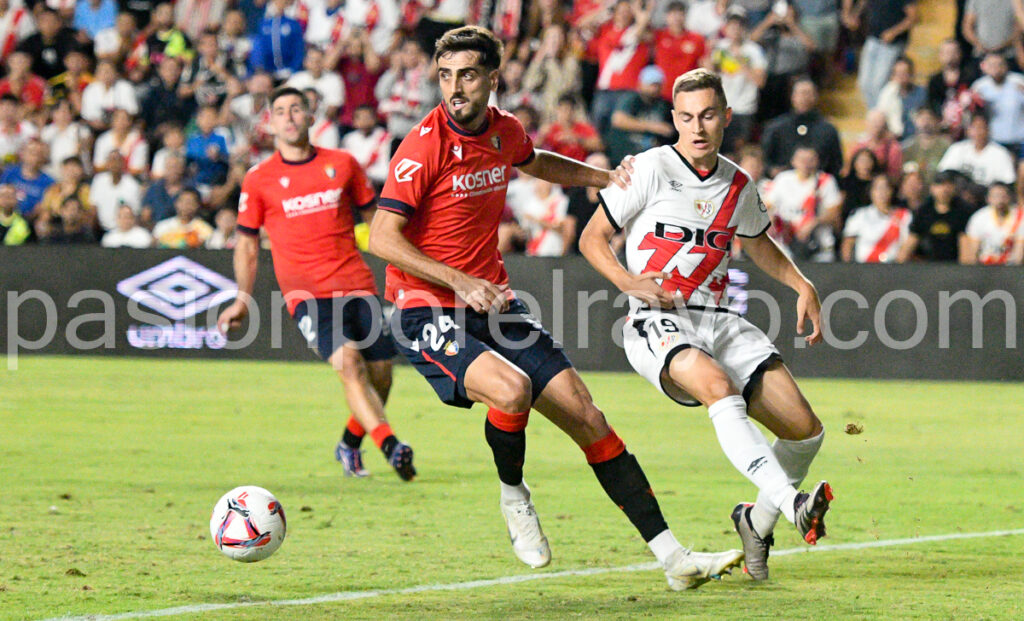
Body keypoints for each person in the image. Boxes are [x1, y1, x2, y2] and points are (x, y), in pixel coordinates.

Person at [368, 26, 743, 589]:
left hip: (493, 301)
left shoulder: (503, 131)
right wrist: (458, 280)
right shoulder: (423, 146)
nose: (454, 88)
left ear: (493, 79)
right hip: (423, 308)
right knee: (511, 389)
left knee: (587, 415)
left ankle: (675, 559)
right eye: (445, 76)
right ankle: (514, 495)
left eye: (467, 75)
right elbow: (381, 238)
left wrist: (602, 178)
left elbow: (534, 159)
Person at [580, 68, 833, 583]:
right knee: (717, 387)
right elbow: (592, 239)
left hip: (718, 318)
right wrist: (630, 282)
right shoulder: (648, 168)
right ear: (674, 119)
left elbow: (759, 242)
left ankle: (755, 521)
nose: (697, 127)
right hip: (658, 319)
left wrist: (801, 283)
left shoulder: (738, 183)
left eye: (708, 116)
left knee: (805, 431)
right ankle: (791, 505)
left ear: (726, 118)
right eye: (687, 117)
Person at [218, 86, 415, 482]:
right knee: (349, 364)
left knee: (381, 375)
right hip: (307, 295)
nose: (289, 116)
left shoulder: (344, 164)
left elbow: (377, 225)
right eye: (280, 111)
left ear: (311, 118)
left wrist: (407, 271)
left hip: (357, 284)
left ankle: (349, 444)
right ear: (269, 123)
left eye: (296, 109)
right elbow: (247, 247)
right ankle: (392, 445)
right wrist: (241, 298)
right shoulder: (259, 180)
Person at [764, 145, 842, 261]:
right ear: (793, 161)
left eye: (811, 159)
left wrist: (814, 222)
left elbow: (834, 213)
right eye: (802, 159)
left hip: (818, 246)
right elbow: (766, 206)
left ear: (817, 161)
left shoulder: (825, 181)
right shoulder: (783, 179)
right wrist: (771, 218)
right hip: (786, 243)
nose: (806, 164)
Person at [761, 78, 843, 177]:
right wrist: (772, 171)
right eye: (801, 93)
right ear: (793, 97)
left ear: (816, 97)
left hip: (817, 186)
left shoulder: (828, 130)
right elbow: (764, 160)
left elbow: (836, 164)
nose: (804, 98)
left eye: (808, 93)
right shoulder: (776, 127)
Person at [896, 171, 973, 262]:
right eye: (940, 185)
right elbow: (911, 241)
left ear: (954, 188)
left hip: (953, 266)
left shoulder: (961, 212)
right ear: (932, 188)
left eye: (948, 185)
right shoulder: (924, 212)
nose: (944, 190)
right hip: (927, 266)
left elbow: (964, 246)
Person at [841, 173, 912, 262]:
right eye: (878, 188)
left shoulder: (904, 215)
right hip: (865, 267)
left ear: (892, 191)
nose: (882, 192)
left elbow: (906, 245)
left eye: (886, 187)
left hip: (893, 268)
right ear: (871, 192)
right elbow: (848, 244)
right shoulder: (860, 215)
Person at [937, 113, 1016, 187]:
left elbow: (1007, 181)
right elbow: (944, 173)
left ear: (988, 130)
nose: (978, 132)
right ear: (968, 130)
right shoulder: (957, 149)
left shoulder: (1000, 153)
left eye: (981, 127)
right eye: (974, 127)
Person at [961, 182, 1024, 265]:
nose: (1000, 200)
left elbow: (1019, 254)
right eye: (996, 196)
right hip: (984, 267)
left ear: (1010, 197)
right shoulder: (979, 218)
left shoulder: (1020, 217)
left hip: (1010, 268)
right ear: (988, 199)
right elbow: (973, 252)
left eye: (1003, 196)